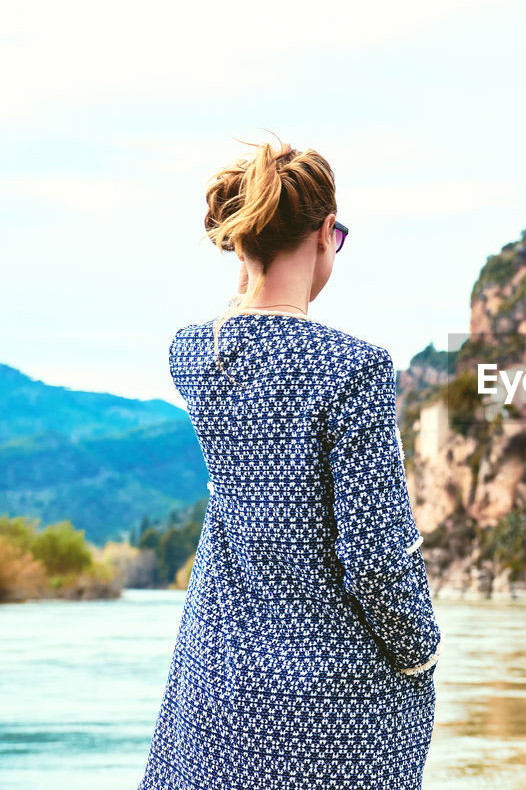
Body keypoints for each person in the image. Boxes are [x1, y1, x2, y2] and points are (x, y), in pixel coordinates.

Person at [138, 137, 443, 790]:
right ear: (326, 233)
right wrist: (423, 651)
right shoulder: (354, 368)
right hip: (334, 705)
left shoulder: (193, 356)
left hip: (225, 681)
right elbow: (377, 558)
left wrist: (250, 282)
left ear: (244, 239)